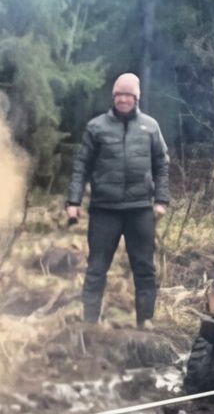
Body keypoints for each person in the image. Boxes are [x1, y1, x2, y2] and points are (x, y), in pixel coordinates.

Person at [65, 73, 171, 328]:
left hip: (140, 210)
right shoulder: (96, 127)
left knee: (144, 269)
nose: (123, 99)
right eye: (119, 94)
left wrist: (161, 201)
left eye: (128, 95)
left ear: (136, 98)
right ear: (113, 97)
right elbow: (82, 167)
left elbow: (162, 165)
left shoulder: (150, 126)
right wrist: (73, 202)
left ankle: (144, 321)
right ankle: (90, 322)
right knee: (96, 268)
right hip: (104, 210)